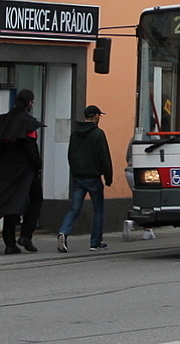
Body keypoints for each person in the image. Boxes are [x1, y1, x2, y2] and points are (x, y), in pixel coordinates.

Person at [0, 90, 43, 254]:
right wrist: (38, 164)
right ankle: (26, 235)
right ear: (30, 103)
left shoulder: (4, 120)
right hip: (25, 170)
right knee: (36, 198)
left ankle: (10, 243)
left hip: (5, 169)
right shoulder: (28, 123)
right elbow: (31, 148)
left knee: (10, 204)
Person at [57, 105, 113, 252]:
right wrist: (108, 177)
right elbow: (105, 157)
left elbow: (70, 155)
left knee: (74, 209)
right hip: (93, 178)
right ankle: (95, 242)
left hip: (78, 177)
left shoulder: (75, 134)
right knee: (98, 210)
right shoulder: (98, 134)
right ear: (95, 117)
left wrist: (75, 172)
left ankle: (63, 231)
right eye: (99, 116)